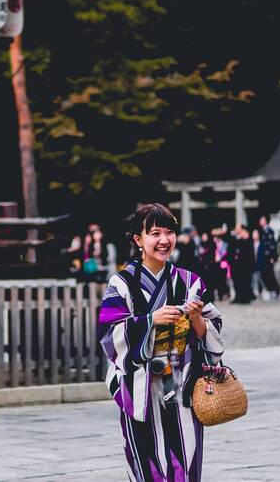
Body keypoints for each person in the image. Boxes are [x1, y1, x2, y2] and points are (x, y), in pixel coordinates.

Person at [98, 203, 226, 481]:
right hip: (141, 387)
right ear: (138, 240)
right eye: (155, 233)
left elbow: (213, 329)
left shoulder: (190, 282)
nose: (164, 240)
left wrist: (196, 320)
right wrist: (150, 320)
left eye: (169, 232)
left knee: (185, 460)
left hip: (182, 385)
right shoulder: (121, 284)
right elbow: (110, 335)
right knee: (145, 464)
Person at [227, 225, 256, 304]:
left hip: (245, 266)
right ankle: (238, 297)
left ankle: (245, 298)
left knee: (245, 282)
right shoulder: (235, 239)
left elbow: (248, 254)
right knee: (237, 283)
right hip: (236, 265)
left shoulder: (248, 240)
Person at [257, 216, 280, 298]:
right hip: (264, 256)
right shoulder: (263, 231)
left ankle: (275, 290)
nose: (260, 221)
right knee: (265, 274)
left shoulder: (269, 230)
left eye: (262, 220)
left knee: (269, 274)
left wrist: (272, 257)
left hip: (268, 257)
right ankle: (271, 290)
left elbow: (272, 244)